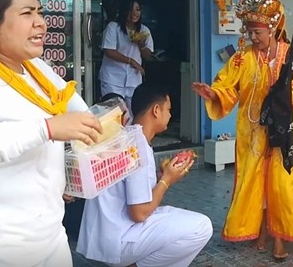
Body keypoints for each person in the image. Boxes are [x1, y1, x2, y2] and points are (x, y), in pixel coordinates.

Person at [0, 0, 102, 265]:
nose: (41, 23)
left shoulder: (37, 68)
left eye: (40, 12)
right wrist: (46, 128)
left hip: (50, 236)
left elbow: (80, 117)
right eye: (26, 13)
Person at [192, 0, 293, 261]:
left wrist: (281, 103)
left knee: (281, 184)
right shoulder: (243, 57)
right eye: (249, 32)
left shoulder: (292, 57)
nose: (252, 37)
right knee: (256, 182)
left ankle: (280, 238)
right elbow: (228, 86)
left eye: (257, 32)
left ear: (272, 28)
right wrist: (213, 93)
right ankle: (261, 230)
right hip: (253, 132)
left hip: (284, 131)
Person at [77, 83, 213, 266]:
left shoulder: (128, 137)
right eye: (168, 109)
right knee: (202, 227)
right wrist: (166, 180)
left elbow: (129, 185)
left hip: (104, 235)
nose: (170, 115)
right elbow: (139, 213)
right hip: (119, 240)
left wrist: (160, 176)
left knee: (173, 214)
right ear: (156, 110)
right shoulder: (136, 146)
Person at [98, 0, 153, 110]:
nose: (134, 13)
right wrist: (131, 61)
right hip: (113, 79)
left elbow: (148, 56)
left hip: (133, 80)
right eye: (130, 10)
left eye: (137, 9)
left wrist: (141, 45)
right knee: (114, 114)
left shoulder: (144, 30)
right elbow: (109, 51)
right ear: (123, 11)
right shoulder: (113, 27)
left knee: (133, 114)